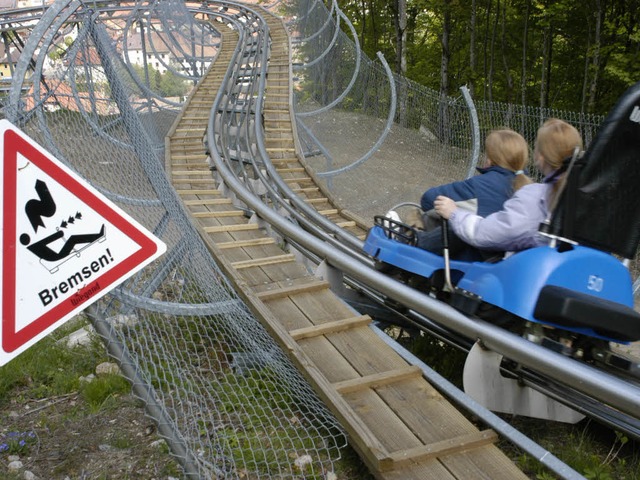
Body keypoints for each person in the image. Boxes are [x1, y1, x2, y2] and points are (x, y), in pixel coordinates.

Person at [433, 118, 583, 253]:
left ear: (540, 157)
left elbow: (486, 234)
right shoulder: (587, 199)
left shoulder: (535, 197)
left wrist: (454, 213)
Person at [413, 128, 532, 259]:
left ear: (491, 159)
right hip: (507, 259)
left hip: (473, 263)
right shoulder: (530, 190)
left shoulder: (482, 185)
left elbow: (428, 200)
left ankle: (412, 239)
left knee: (456, 225)